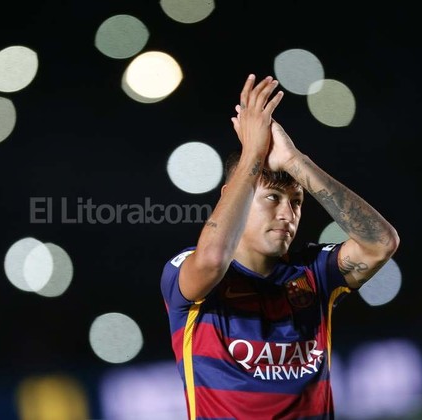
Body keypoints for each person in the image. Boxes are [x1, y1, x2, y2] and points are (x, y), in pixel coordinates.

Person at [160, 74, 399, 419]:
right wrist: (253, 154)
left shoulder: (314, 272)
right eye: (272, 197)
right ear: (233, 196)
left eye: (296, 202)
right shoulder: (190, 273)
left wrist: (294, 161)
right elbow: (212, 259)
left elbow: (381, 243)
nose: (288, 214)